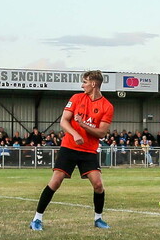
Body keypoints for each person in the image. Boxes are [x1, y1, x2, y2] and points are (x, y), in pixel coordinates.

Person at [30, 70, 114, 230]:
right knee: (55, 181)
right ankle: (36, 219)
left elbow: (102, 132)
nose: (82, 85)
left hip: (89, 150)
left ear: (94, 84)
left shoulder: (107, 106)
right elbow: (64, 121)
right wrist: (75, 133)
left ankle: (98, 219)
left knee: (98, 184)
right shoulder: (76, 98)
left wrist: (83, 125)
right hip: (69, 147)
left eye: (85, 82)